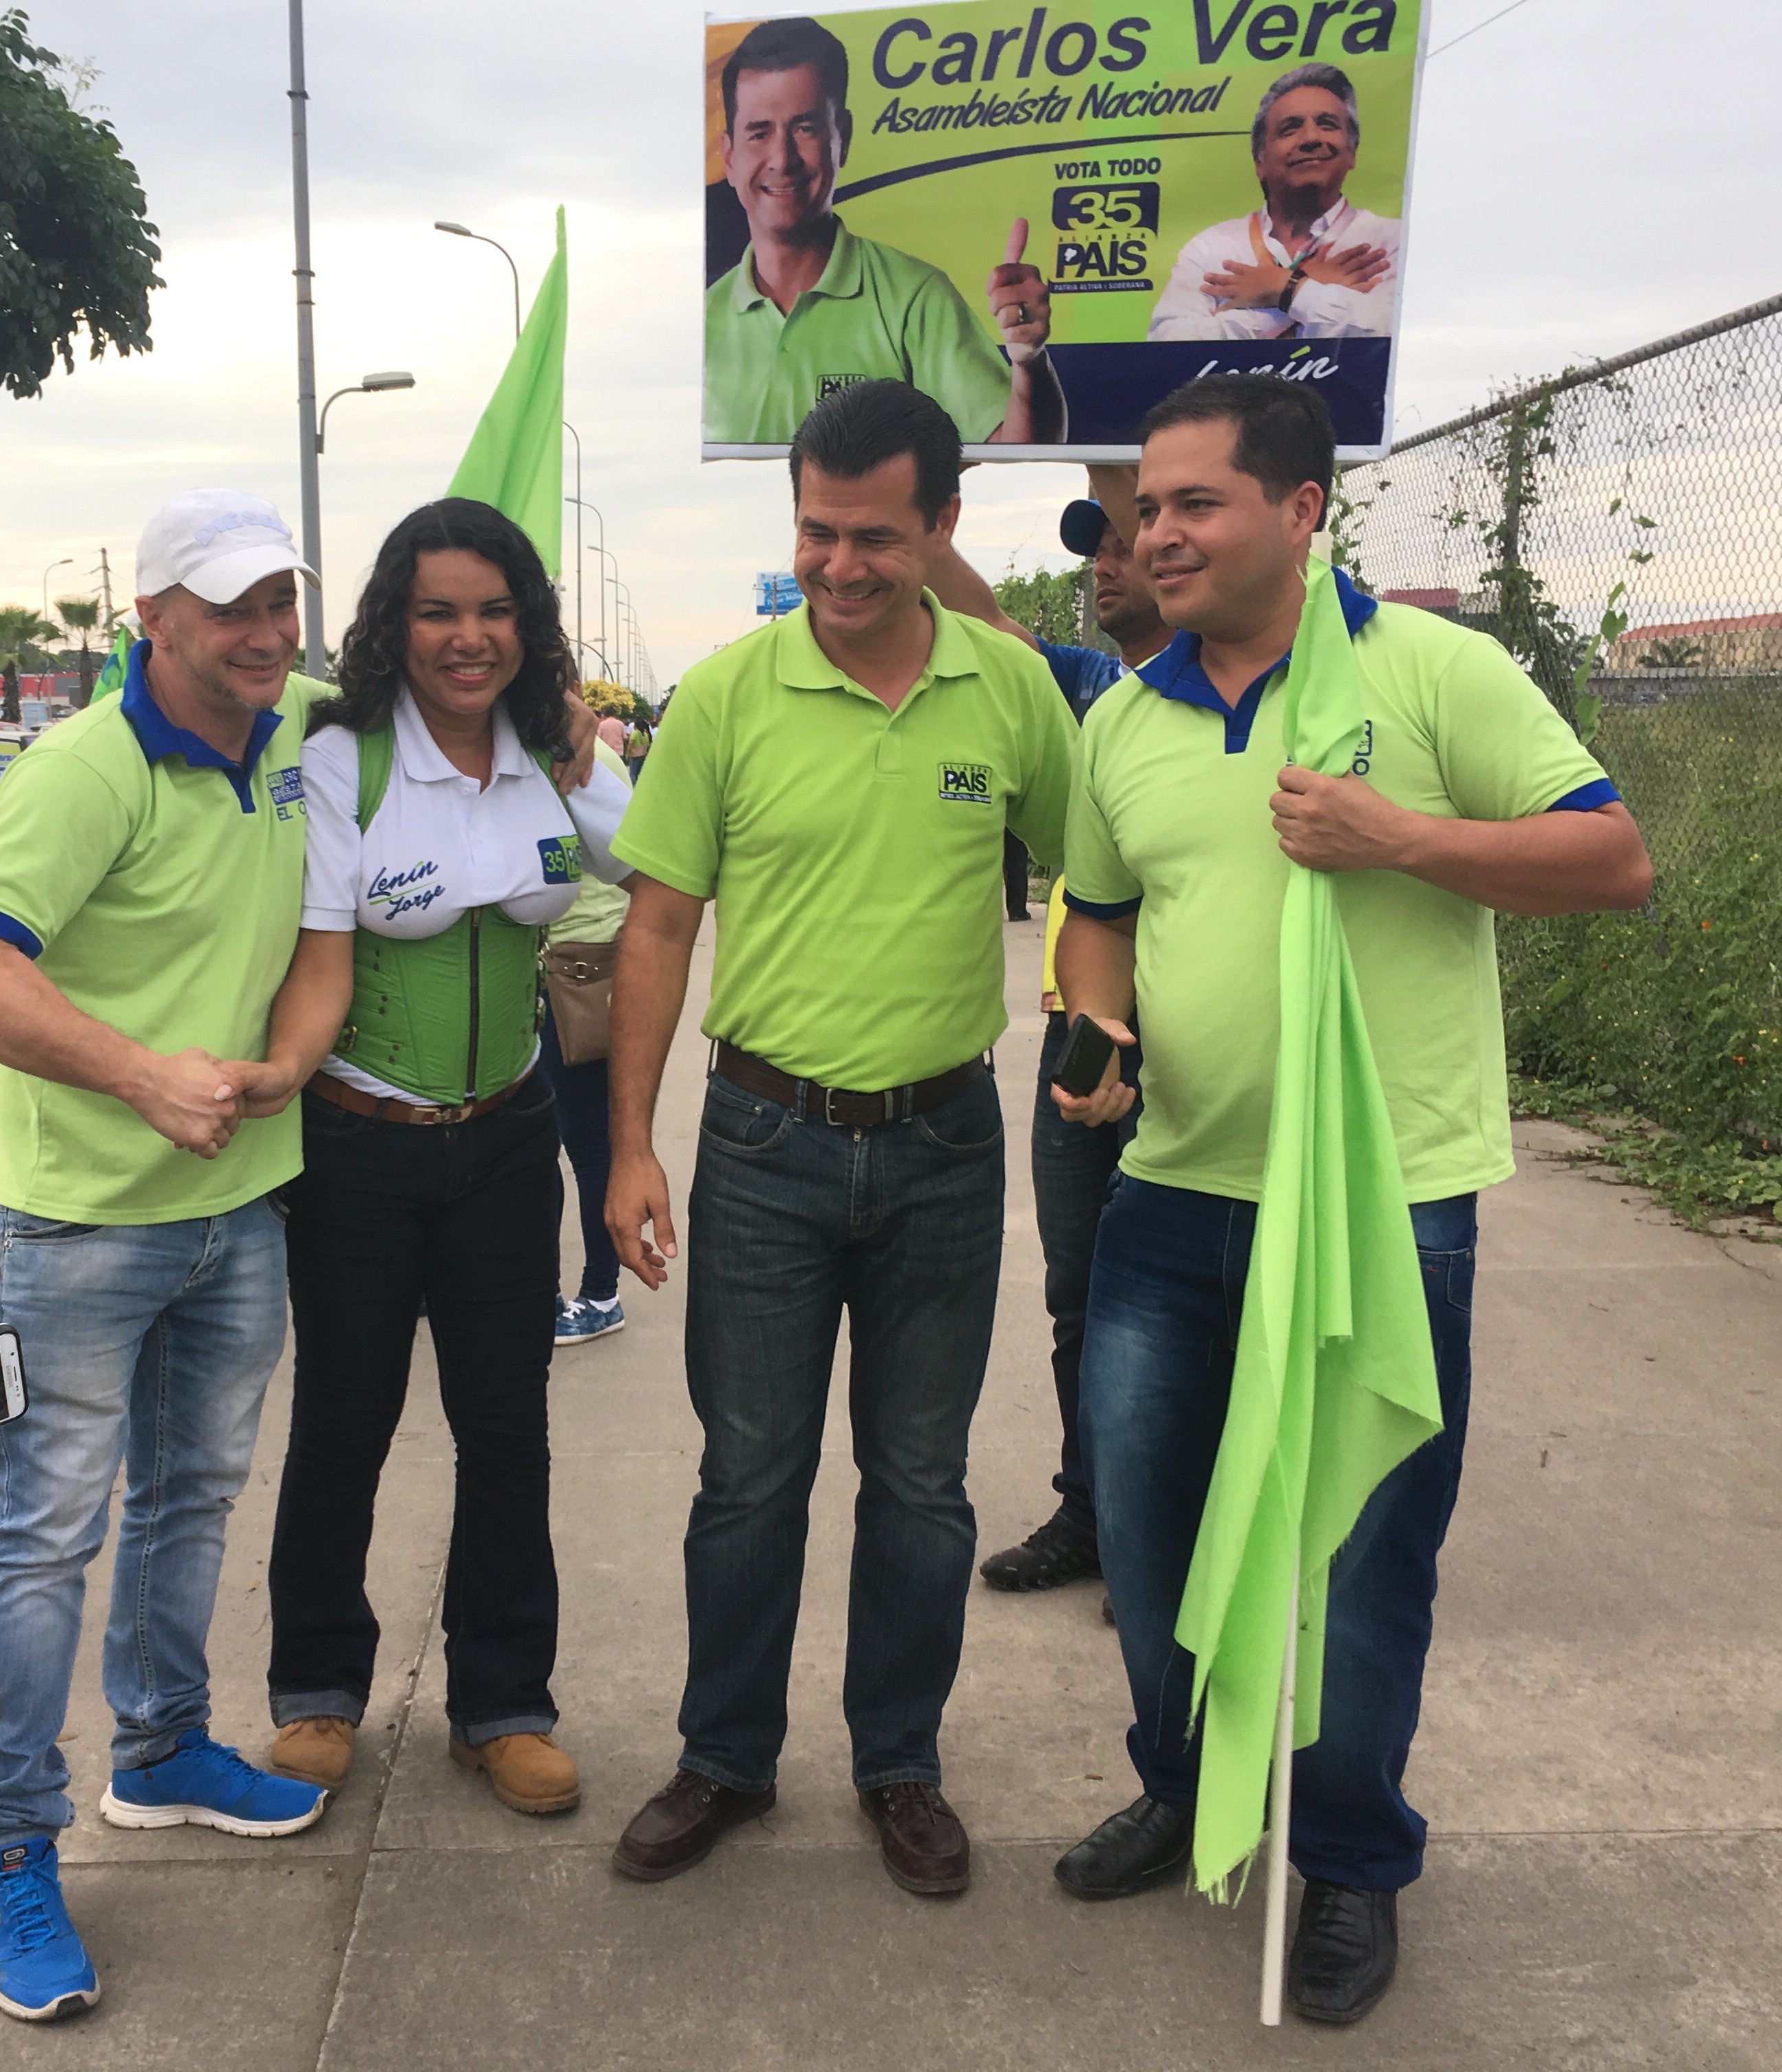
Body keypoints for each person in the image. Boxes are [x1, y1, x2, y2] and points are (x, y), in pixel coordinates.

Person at [1048, 375, 1649, 2022]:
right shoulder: (1125, 720)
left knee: (1368, 1550)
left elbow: (1613, 859)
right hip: (1175, 1193)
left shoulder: (1434, 672)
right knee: (1150, 1532)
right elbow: (1099, 913)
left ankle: (1353, 1862)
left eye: (1194, 505)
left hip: (1390, 1199)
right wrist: (1098, 1026)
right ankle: (1188, 1788)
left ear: (1302, 510)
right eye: (1146, 511)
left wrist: (1400, 838)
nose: (1155, 537)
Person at [603, 380, 1076, 1897]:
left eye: (876, 535)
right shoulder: (726, 699)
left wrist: (1112, 1023)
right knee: (748, 1476)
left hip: (945, 1146)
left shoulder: (1010, 693)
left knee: (922, 1483)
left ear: (943, 526)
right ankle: (725, 1756)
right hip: (763, 1143)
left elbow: (1103, 869)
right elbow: (658, 925)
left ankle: (899, 1763)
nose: (839, 563)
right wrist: (631, 1143)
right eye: (816, 530)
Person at [0, 489, 333, 2025]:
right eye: (231, 609)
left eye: (280, 602)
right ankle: (14, 1844)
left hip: (240, 1208)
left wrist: (285, 1061)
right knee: (44, 1535)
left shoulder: (300, 732)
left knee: (192, 1498)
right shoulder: (86, 768)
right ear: (151, 619)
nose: (267, 634)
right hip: (81, 1223)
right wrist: (143, 1074)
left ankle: (160, 1750)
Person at [237, 498, 634, 1818]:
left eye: (494, 610)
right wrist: (273, 1081)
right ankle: (315, 1687)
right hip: (359, 1141)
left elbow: (654, 862)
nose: (469, 637)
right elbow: (318, 953)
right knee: (343, 1420)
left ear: (529, 623)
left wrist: (581, 746)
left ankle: (503, 1704)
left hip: (511, 1137)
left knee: (507, 1429)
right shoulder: (343, 757)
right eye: (438, 611)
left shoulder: (547, 751)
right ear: (393, 625)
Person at [926, 493, 1171, 1603]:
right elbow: (986, 619)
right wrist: (933, 479)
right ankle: (1096, 1513)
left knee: (1184, 1294)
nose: (1105, 566)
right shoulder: (1084, 688)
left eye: (1126, 545)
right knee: (1079, 1290)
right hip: (1082, 1030)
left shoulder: (1261, 696)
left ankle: (1170, 1532)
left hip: (1195, 1039)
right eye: (1098, 550)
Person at [703, 16, 1063, 446]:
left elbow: (1017, 451)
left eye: (805, 128)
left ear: (843, 138)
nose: (783, 158)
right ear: (729, 157)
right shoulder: (705, 320)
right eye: (760, 134)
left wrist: (1029, 362)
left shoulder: (917, 299)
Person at [1148, 64, 1400, 342]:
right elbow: (1168, 346)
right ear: (1260, 161)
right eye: (1290, 129)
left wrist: (1286, 288)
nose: (1311, 138)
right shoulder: (1212, 248)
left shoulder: (1392, 241)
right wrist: (1294, 294)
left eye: (1327, 124)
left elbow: (1392, 336)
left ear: (1352, 152)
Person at [545, 722, 637, 1347]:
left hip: (575, 967)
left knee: (584, 1142)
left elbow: (628, 859)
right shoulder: (597, 750)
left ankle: (600, 1293)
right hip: (580, 960)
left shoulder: (573, 753)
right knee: (571, 1141)